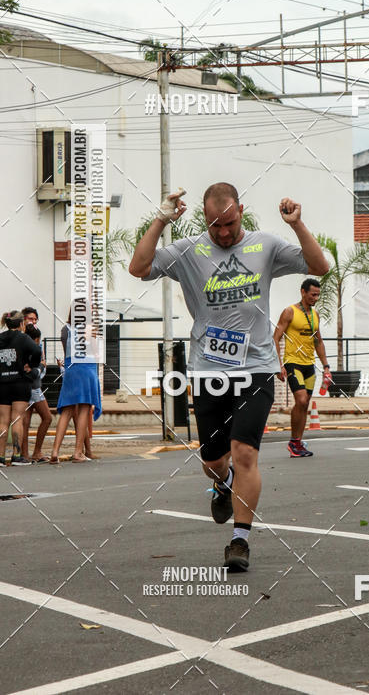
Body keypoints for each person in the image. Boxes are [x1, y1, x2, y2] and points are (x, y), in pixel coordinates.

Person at [129, 183, 328, 571]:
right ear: (204, 219)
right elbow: (138, 268)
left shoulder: (265, 245)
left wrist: (298, 224)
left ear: (242, 211)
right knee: (214, 461)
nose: (223, 233)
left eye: (230, 224)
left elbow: (319, 267)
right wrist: (160, 220)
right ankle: (223, 483)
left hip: (256, 368)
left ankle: (240, 540)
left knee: (246, 452)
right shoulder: (188, 250)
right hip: (208, 370)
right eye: (214, 226)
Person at [273, 278, 331, 457]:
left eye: (318, 295)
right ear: (303, 292)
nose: (315, 298)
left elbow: (318, 341)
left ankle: (297, 442)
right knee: (302, 400)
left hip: (309, 365)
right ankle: (293, 442)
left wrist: (326, 366)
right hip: (293, 362)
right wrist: (278, 365)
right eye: (313, 294)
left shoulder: (315, 315)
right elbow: (275, 338)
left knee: (304, 405)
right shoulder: (289, 312)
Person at [50, 305, 102, 464]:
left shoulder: (65, 329)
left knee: (67, 410)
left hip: (71, 369)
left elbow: (66, 352)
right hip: (87, 369)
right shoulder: (90, 328)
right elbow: (95, 351)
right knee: (84, 411)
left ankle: (54, 451)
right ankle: (78, 452)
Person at [0, 311, 42, 465]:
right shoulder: (23, 338)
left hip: (2, 383)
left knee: (3, 420)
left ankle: (1, 456)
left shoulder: (1, 338)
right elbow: (37, 351)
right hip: (20, 382)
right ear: (21, 323)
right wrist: (32, 365)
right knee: (17, 418)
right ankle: (17, 455)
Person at [20, 323, 52, 463]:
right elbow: (36, 369)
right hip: (34, 388)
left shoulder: (23, 347)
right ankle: (36, 452)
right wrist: (40, 366)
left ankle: (25, 453)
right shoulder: (32, 349)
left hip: (28, 387)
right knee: (47, 417)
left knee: (25, 422)